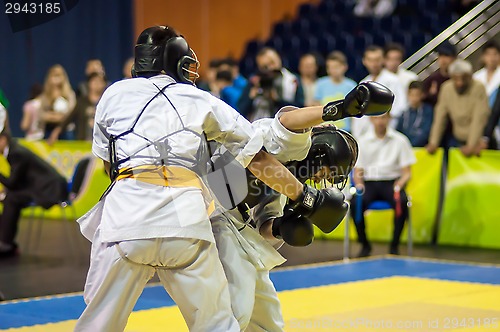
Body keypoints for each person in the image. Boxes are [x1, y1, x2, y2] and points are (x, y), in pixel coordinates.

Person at [75, 25, 345, 332]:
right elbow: (261, 152)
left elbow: (108, 164)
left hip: (125, 219)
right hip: (187, 221)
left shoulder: (114, 93)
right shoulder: (200, 99)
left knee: (98, 324)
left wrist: (284, 224)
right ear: (180, 62)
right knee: (219, 324)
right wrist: (308, 197)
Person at [210, 81, 394, 330]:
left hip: (234, 221)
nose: (320, 180)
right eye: (327, 172)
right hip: (211, 206)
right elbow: (289, 119)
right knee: (237, 309)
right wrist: (339, 110)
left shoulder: (292, 182)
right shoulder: (296, 147)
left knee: (267, 316)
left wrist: (282, 227)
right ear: (322, 153)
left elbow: (264, 221)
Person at [351, 112, 416, 257]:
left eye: (383, 117)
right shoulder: (362, 141)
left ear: (389, 119)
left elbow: (407, 172)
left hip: (391, 183)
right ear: (371, 119)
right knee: (355, 203)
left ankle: (394, 246)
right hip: (369, 183)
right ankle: (364, 245)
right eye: (377, 118)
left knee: (402, 201)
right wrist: (359, 185)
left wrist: (399, 184)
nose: (380, 121)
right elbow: (358, 171)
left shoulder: (401, 140)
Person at [0, 132, 68, 258]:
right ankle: (6, 242)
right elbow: (18, 180)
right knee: (9, 198)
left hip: (49, 190)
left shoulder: (16, 153)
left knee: (11, 199)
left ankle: (6, 244)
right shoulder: (14, 150)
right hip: (43, 187)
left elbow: (12, 183)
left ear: (3, 140)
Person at [427, 59, 490, 157]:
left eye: (463, 79)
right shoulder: (446, 88)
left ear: (469, 77)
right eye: (456, 79)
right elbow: (440, 118)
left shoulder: (478, 88)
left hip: (478, 140)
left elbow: (479, 119)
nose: (460, 83)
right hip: (456, 138)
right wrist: (433, 142)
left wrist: (471, 145)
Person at [352, 45, 406, 138]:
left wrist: (382, 120)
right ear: (364, 61)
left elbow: (400, 106)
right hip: (366, 132)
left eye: (377, 60)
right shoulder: (363, 83)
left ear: (383, 60)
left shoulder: (393, 80)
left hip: (388, 130)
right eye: (370, 60)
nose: (374, 64)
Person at [238, 47, 304, 121]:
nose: (270, 68)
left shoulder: (293, 79)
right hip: (257, 124)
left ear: (278, 59)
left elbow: (299, 108)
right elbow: (240, 111)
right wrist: (250, 98)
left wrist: (277, 100)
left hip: (284, 125)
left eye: (272, 63)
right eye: (264, 67)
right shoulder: (254, 81)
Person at [48, 72, 107, 144]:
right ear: (89, 83)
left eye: (100, 81)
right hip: (82, 143)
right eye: (94, 81)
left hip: (101, 144)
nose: (97, 84)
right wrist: (56, 132)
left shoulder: (106, 103)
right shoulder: (81, 102)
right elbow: (69, 118)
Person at [314, 51, 357, 132]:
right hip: (325, 128)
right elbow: (316, 106)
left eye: (336, 67)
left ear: (345, 67)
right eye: (330, 67)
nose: (333, 70)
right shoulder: (320, 84)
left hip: (345, 130)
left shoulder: (352, 86)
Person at [38, 64, 76, 139]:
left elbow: (71, 112)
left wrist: (61, 117)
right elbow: (41, 114)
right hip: (49, 130)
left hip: (66, 131)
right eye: (54, 75)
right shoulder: (45, 95)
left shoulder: (69, 94)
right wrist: (52, 117)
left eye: (58, 75)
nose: (56, 79)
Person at [396, 81, 434, 147]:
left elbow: (426, 132)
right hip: (405, 147)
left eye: (417, 95)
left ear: (422, 95)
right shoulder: (404, 112)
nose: (414, 98)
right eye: (412, 95)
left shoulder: (428, 111)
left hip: (421, 148)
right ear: (407, 94)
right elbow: (398, 131)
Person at [423, 41, 456, 107]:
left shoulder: (459, 78)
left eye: (446, 56)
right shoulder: (431, 80)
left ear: (454, 58)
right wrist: (430, 95)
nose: (443, 60)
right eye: (440, 55)